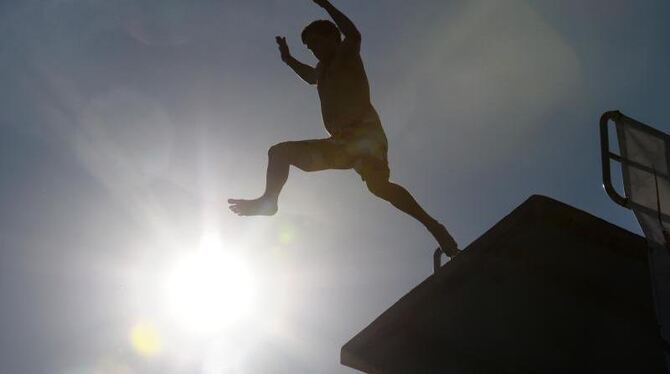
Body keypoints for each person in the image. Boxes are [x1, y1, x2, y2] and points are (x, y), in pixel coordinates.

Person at [228, 0, 459, 257]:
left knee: (378, 186)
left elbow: (353, 34)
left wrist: (326, 5)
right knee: (279, 152)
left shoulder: (345, 53)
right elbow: (310, 77)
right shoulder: (322, 69)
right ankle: (270, 201)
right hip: (338, 144)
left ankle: (434, 226)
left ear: (331, 38)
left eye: (316, 43)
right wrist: (288, 59)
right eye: (310, 47)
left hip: (365, 136)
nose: (314, 50)